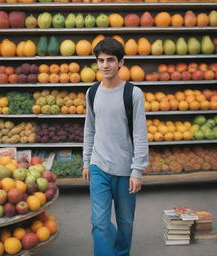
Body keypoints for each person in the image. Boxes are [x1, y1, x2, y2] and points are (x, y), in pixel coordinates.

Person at [82, 38, 148, 256]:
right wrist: (86, 161)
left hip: (125, 169)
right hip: (98, 166)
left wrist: (137, 171)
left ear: (121, 62)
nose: (105, 65)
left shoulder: (133, 94)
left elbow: (140, 135)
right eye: (100, 60)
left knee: (125, 223)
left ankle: (121, 252)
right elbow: (89, 129)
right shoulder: (92, 93)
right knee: (99, 223)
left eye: (111, 60)